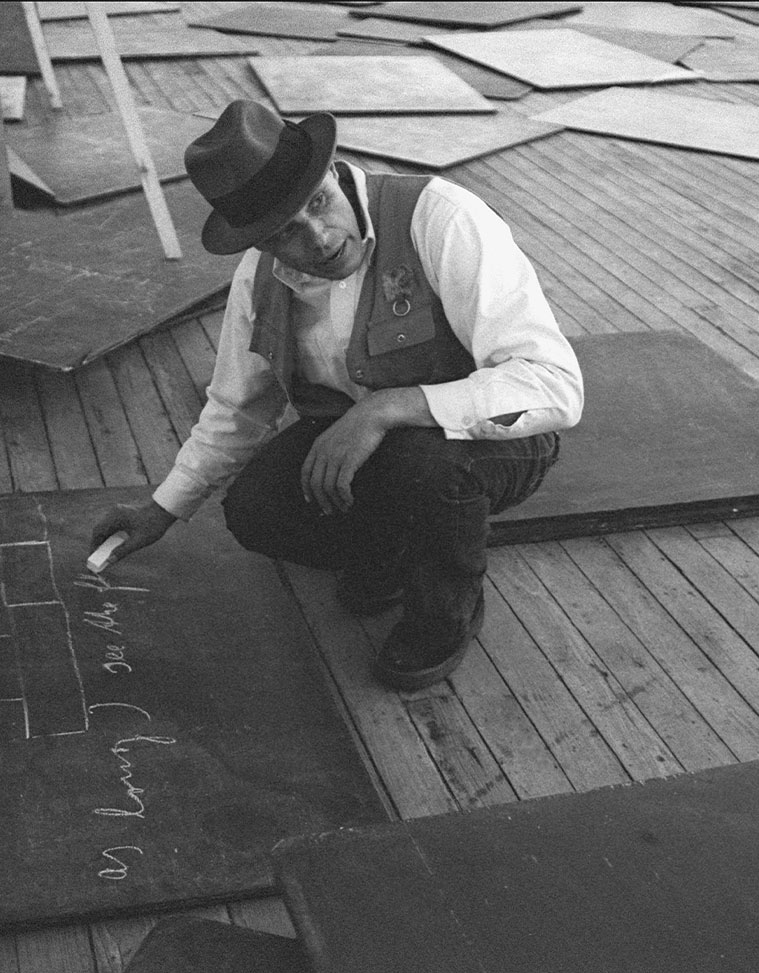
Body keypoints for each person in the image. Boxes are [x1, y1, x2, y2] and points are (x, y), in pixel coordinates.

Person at [91, 99, 583, 692]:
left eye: (319, 204)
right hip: (365, 444)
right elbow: (235, 409)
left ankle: (447, 612)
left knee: (425, 468)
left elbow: (553, 383)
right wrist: (162, 508)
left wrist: (384, 409)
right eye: (285, 234)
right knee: (255, 510)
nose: (319, 240)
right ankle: (397, 553)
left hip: (494, 442)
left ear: (334, 170)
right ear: (260, 243)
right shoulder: (259, 278)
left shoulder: (442, 218)